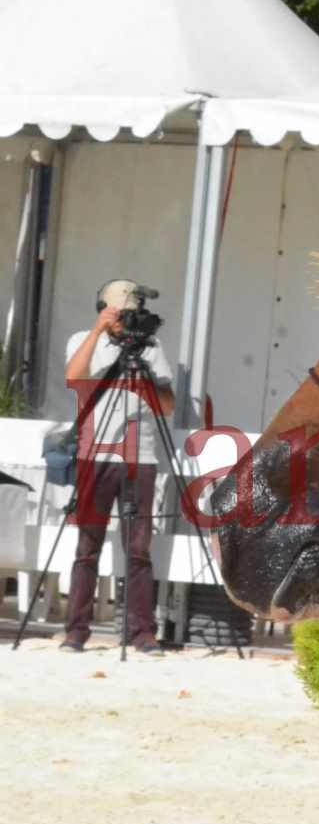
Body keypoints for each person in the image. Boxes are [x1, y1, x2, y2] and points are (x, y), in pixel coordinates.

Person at [60, 280, 175, 654]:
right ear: (103, 309)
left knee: (139, 548)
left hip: (138, 458)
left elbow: (168, 406)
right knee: (87, 546)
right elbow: (74, 379)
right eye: (120, 312)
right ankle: (76, 631)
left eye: (132, 313)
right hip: (93, 455)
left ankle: (143, 633)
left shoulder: (151, 347)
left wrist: (142, 379)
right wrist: (99, 331)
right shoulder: (83, 338)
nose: (127, 320)